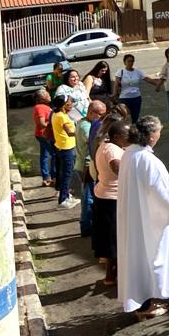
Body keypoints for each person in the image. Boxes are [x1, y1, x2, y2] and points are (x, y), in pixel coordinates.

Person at [116, 116, 169, 319]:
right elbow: (161, 192)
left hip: (136, 215)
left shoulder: (129, 154)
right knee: (154, 255)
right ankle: (150, 302)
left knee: (138, 256)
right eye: (158, 131)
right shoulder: (148, 160)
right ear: (151, 136)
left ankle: (142, 300)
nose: (160, 135)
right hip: (148, 218)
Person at [93, 118, 130, 287]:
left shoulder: (106, 146)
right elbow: (118, 169)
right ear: (116, 137)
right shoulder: (113, 151)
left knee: (111, 239)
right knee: (115, 240)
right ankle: (113, 276)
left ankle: (111, 275)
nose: (130, 137)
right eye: (127, 135)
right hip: (112, 199)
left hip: (105, 195)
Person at [75, 99, 106, 237]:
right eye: (100, 114)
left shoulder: (87, 122)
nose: (102, 118)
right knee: (88, 197)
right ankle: (86, 226)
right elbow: (93, 140)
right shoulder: (86, 126)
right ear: (91, 112)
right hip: (86, 166)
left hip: (88, 165)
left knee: (90, 196)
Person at [51, 94, 78, 208]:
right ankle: (63, 200)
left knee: (64, 173)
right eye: (68, 102)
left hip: (61, 146)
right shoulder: (62, 116)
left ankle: (66, 195)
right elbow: (70, 133)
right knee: (67, 174)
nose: (71, 103)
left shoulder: (56, 114)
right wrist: (81, 130)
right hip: (66, 148)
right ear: (63, 105)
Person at [113, 55, 149, 123]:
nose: (131, 63)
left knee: (135, 117)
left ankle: (134, 128)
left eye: (132, 61)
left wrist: (158, 83)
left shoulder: (138, 71)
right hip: (124, 98)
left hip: (136, 98)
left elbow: (147, 79)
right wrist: (114, 94)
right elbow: (116, 84)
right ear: (124, 62)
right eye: (129, 61)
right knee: (124, 116)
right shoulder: (120, 71)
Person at [32, 87, 55, 187]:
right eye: (47, 94)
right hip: (44, 135)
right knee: (54, 155)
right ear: (41, 98)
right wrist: (53, 123)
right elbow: (42, 123)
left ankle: (46, 177)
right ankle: (53, 177)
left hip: (43, 135)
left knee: (45, 155)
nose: (49, 95)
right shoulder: (40, 107)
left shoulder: (44, 106)